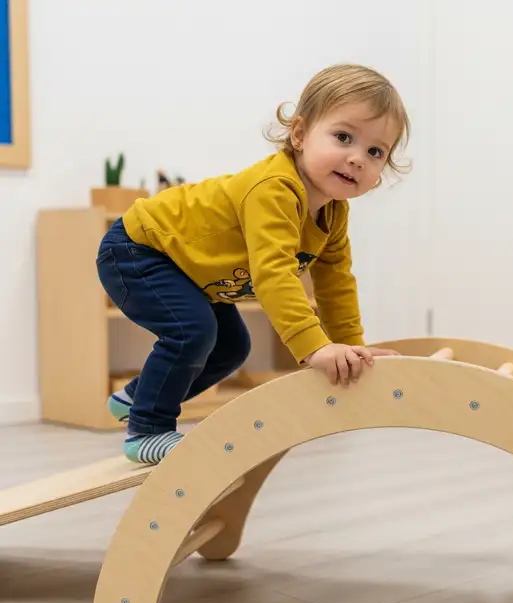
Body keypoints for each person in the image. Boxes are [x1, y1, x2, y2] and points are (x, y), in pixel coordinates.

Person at [96, 63, 411, 464]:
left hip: (189, 271)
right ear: (299, 134)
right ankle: (147, 430)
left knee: (231, 348)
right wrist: (314, 348)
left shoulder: (333, 213)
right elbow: (273, 273)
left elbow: (335, 281)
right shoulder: (275, 189)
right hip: (140, 250)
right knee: (192, 331)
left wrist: (350, 345)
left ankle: (139, 398)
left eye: (375, 151)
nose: (356, 159)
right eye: (343, 137)